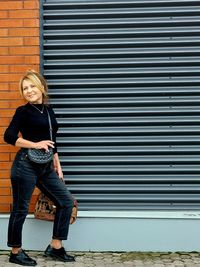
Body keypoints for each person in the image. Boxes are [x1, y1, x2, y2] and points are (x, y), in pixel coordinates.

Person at [4, 70, 75, 266]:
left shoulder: (49, 111)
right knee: (20, 209)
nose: (29, 91)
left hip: (45, 167)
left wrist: (58, 166)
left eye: (32, 86)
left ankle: (55, 246)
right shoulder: (23, 111)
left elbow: (53, 142)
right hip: (24, 165)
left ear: (42, 87)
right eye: (25, 88)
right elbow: (9, 137)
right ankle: (15, 252)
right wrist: (35, 144)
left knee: (66, 202)